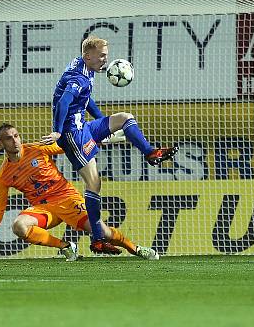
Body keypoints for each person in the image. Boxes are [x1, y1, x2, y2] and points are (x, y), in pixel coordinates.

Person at [40, 35, 178, 254]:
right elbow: (64, 102)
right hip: (72, 135)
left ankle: (151, 153)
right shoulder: (78, 77)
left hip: (84, 127)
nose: (106, 59)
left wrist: (103, 124)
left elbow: (85, 100)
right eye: (102, 55)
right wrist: (57, 130)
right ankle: (97, 239)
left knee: (124, 118)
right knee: (93, 183)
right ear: (88, 55)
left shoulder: (84, 67)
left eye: (106, 55)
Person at [0, 124, 158, 261]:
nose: (15, 141)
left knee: (103, 232)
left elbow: (69, 146)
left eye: (16, 136)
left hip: (67, 199)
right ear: (1, 144)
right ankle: (66, 247)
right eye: (9, 138)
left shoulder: (37, 149)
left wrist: (98, 139)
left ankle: (137, 249)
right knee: (19, 226)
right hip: (44, 209)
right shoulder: (4, 176)